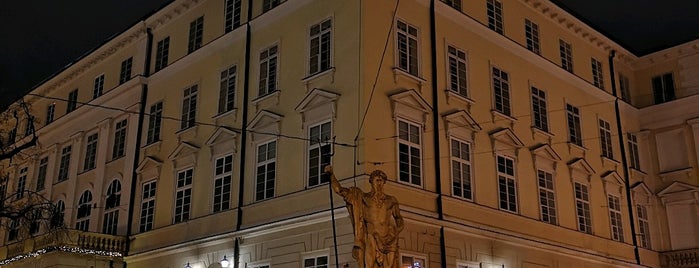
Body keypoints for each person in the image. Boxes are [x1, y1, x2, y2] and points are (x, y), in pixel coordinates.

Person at [325, 165, 404, 268]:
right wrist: (331, 175)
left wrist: (395, 232)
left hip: (389, 240)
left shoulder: (391, 200)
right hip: (371, 238)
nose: (379, 183)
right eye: (377, 180)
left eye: (381, 181)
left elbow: (399, 219)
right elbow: (340, 190)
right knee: (369, 266)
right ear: (371, 181)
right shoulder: (363, 198)